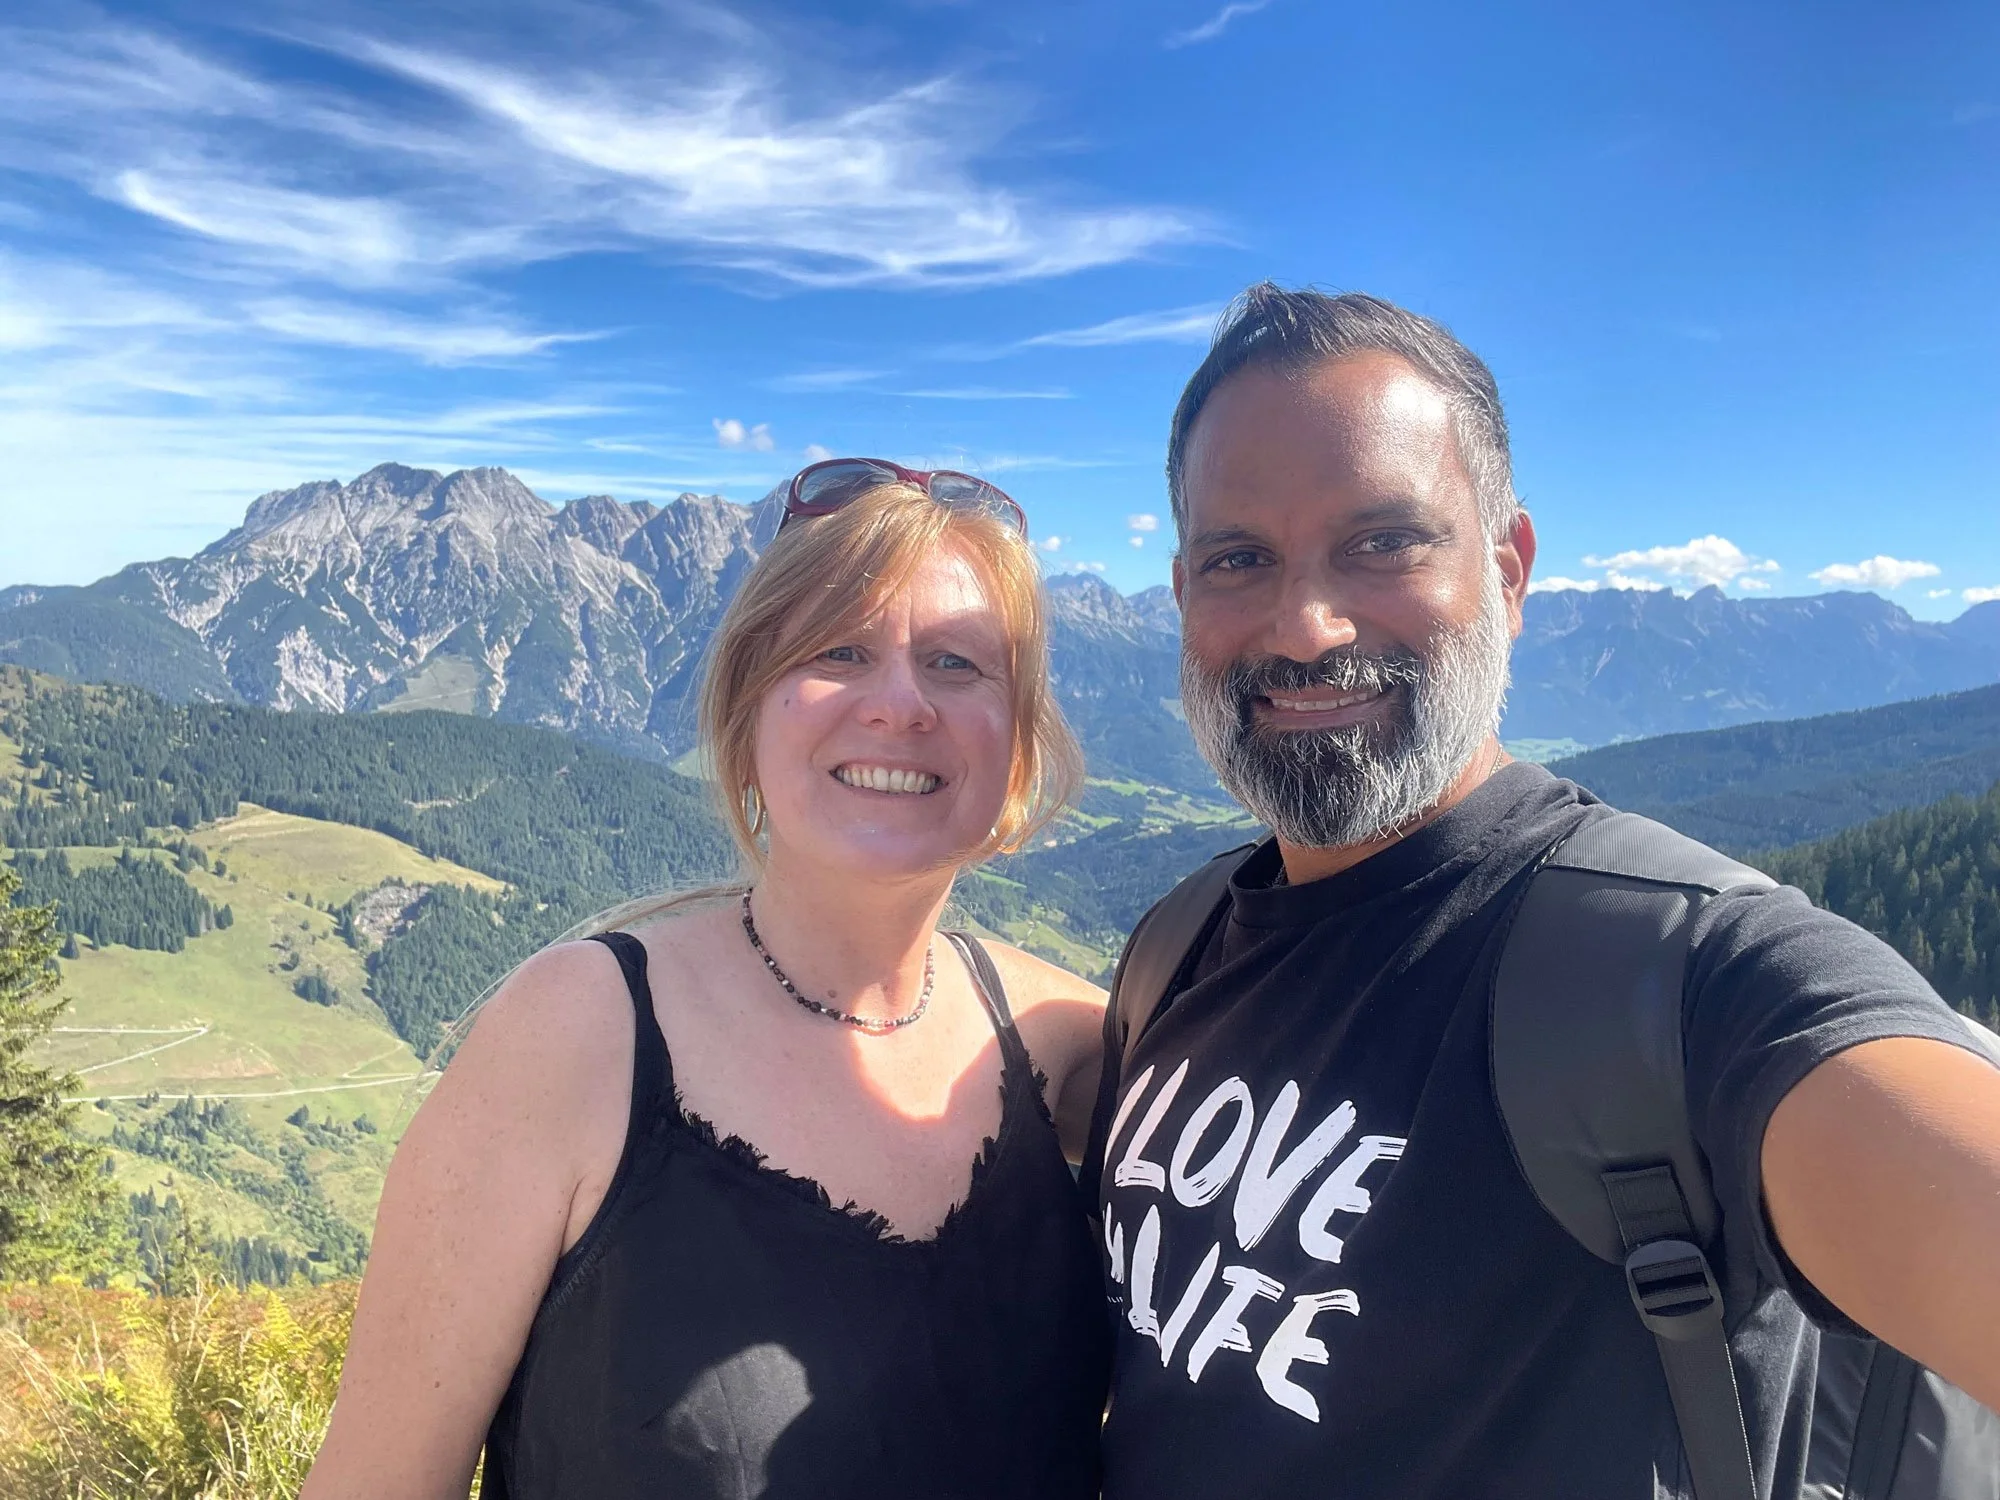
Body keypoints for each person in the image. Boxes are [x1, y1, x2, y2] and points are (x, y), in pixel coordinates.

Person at [1084, 285, 2000, 1498]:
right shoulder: (1176, 947)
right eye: (1237, 559)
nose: (1303, 626)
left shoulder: (1687, 980)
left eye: (1383, 541)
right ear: (1183, 594)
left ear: (1508, 570)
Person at [304, 460, 1111, 1500]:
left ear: (1015, 746)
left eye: (957, 664)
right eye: (839, 650)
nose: (900, 703)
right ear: (747, 711)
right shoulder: (575, 1038)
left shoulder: (1075, 1045)